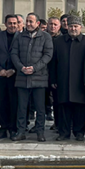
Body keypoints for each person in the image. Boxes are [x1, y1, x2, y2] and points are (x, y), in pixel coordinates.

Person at [11, 12, 53, 141]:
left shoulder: (45, 37)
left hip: (39, 77)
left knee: (40, 107)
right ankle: (21, 131)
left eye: (31, 21)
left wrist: (34, 68)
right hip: (22, 77)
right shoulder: (19, 36)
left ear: (38, 23)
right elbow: (14, 54)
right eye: (27, 21)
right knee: (22, 107)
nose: (28, 24)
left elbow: (48, 55)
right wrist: (21, 67)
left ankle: (40, 132)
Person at [52, 17, 85, 142]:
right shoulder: (58, 41)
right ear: (67, 27)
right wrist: (53, 79)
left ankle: (79, 132)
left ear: (80, 27)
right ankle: (64, 133)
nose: (73, 29)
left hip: (80, 81)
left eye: (76, 26)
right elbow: (53, 62)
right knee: (63, 108)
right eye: (71, 26)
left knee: (80, 109)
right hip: (63, 80)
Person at [0, 14, 22, 140]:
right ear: (5, 24)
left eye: (15, 23)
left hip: (16, 75)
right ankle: (3, 128)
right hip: (0, 75)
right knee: (2, 102)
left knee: (14, 103)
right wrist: (0, 70)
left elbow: (23, 55)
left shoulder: (21, 37)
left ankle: (13, 128)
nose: (12, 25)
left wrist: (14, 69)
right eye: (10, 23)